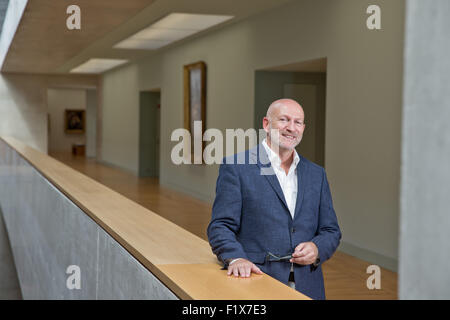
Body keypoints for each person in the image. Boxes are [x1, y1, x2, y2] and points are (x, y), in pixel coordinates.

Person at [207, 98, 341, 300]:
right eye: (284, 120)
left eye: (297, 122)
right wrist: (236, 257)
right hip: (255, 282)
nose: (291, 128)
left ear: (303, 128)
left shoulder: (316, 174)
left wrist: (317, 248)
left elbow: (331, 230)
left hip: (308, 286)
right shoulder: (237, 167)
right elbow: (220, 225)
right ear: (266, 124)